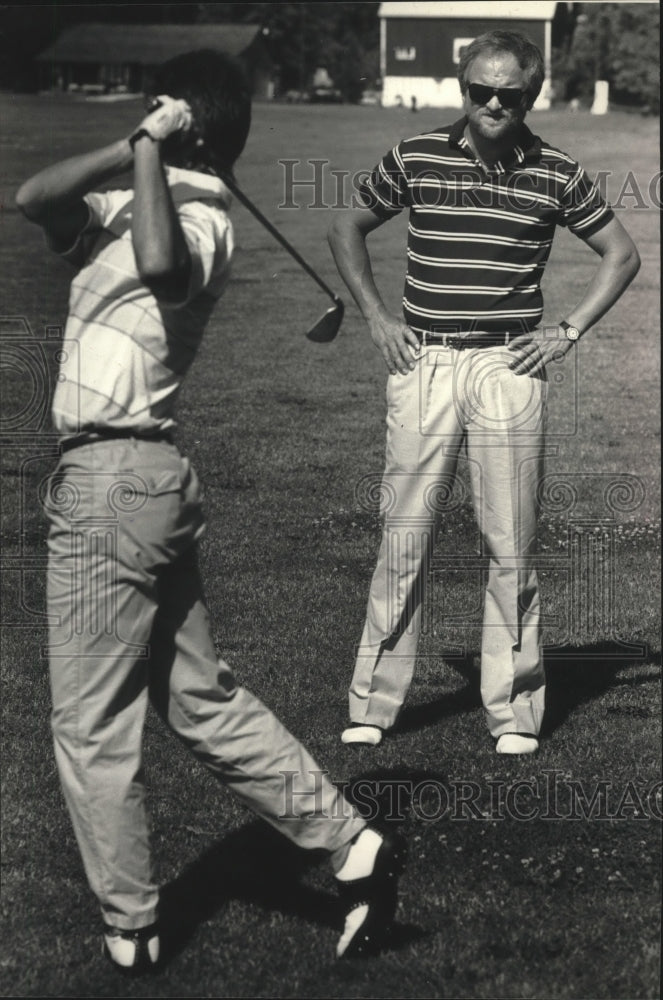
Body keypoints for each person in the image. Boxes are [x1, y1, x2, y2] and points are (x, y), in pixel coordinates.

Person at [16, 49, 405, 974]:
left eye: (158, 107)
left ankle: (132, 928)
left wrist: (155, 150)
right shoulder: (133, 192)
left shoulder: (203, 218)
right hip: (139, 488)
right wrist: (132, 146)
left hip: (113, 485)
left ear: (183, 121)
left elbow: (159, 265)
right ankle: (352, 847)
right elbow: (35, 198)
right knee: (197, 698)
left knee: (89, 723)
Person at [328, 30, 640, 755]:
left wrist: (565, 332)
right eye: (480, 90)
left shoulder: (557, 171)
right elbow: (346, 223)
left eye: (509, 93)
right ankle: (373, 703)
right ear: (462, 87)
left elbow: (620, 256)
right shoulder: (414, 156)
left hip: (507, 367)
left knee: (511, 545)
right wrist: (376, 318)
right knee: (403, 535)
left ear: (530, 95)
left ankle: (514, 710)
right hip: (425, 364)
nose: (493, 103)